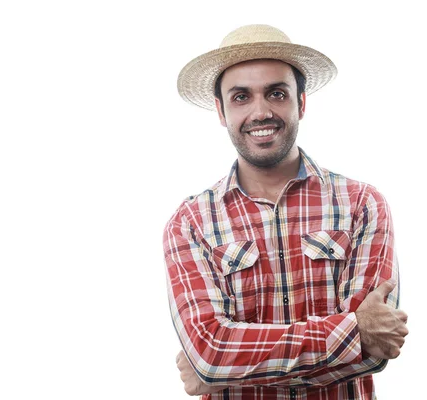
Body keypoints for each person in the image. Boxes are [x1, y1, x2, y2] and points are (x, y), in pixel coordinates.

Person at [163, 24, 408, 400]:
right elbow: (209, 355)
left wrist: (226, 371)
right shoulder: (190, 223)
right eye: (241, 97)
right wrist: (351, 333)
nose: (261, 112)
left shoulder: (362, 204)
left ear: (301, 103)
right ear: (221, 110)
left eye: (276, 94)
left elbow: (376, 349)